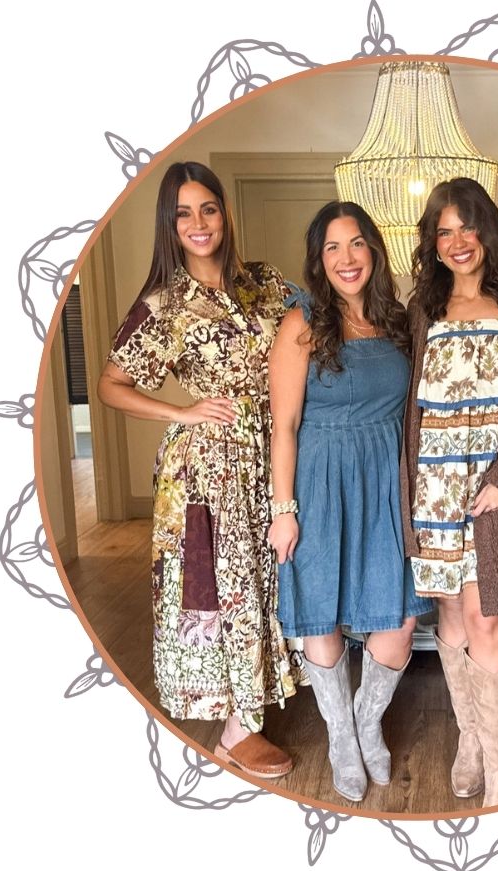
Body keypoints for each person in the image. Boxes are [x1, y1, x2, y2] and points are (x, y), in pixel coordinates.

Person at [98, 161, 306, 781]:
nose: (198, 223)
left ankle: (261, 699)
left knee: (273, 577)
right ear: (170, 223)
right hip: (208, 467)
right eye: (184, 213)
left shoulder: (266, 283)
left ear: (226, 213)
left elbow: (317, 332)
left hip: (274, 447)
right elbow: (111, 385)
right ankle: (235, 726)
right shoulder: (163, 303)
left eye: (208, 209)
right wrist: (179, 411)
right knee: (223, 588)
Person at [268, 201, 430, 804]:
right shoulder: (301, 323)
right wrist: (284, 509)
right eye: (333, 248)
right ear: (319, 260)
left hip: (387, 481)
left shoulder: (396, 321)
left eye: (356, 244)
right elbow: (283, 424)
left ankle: (367, 721)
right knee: (324, 611)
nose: (346, 258)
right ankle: (341, 738)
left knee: (398, 618)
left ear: (374, 251)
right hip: (320, 479)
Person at [400, 177, 498, 808]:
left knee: (490, 620)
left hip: (497, 490)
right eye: (444, 231)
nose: (458, 241)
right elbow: (408, 406)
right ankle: (470, 743)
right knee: (454, 618)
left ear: (487, 232)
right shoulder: (422, 313)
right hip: (434, 488)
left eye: (467, 227)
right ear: (432, 245)